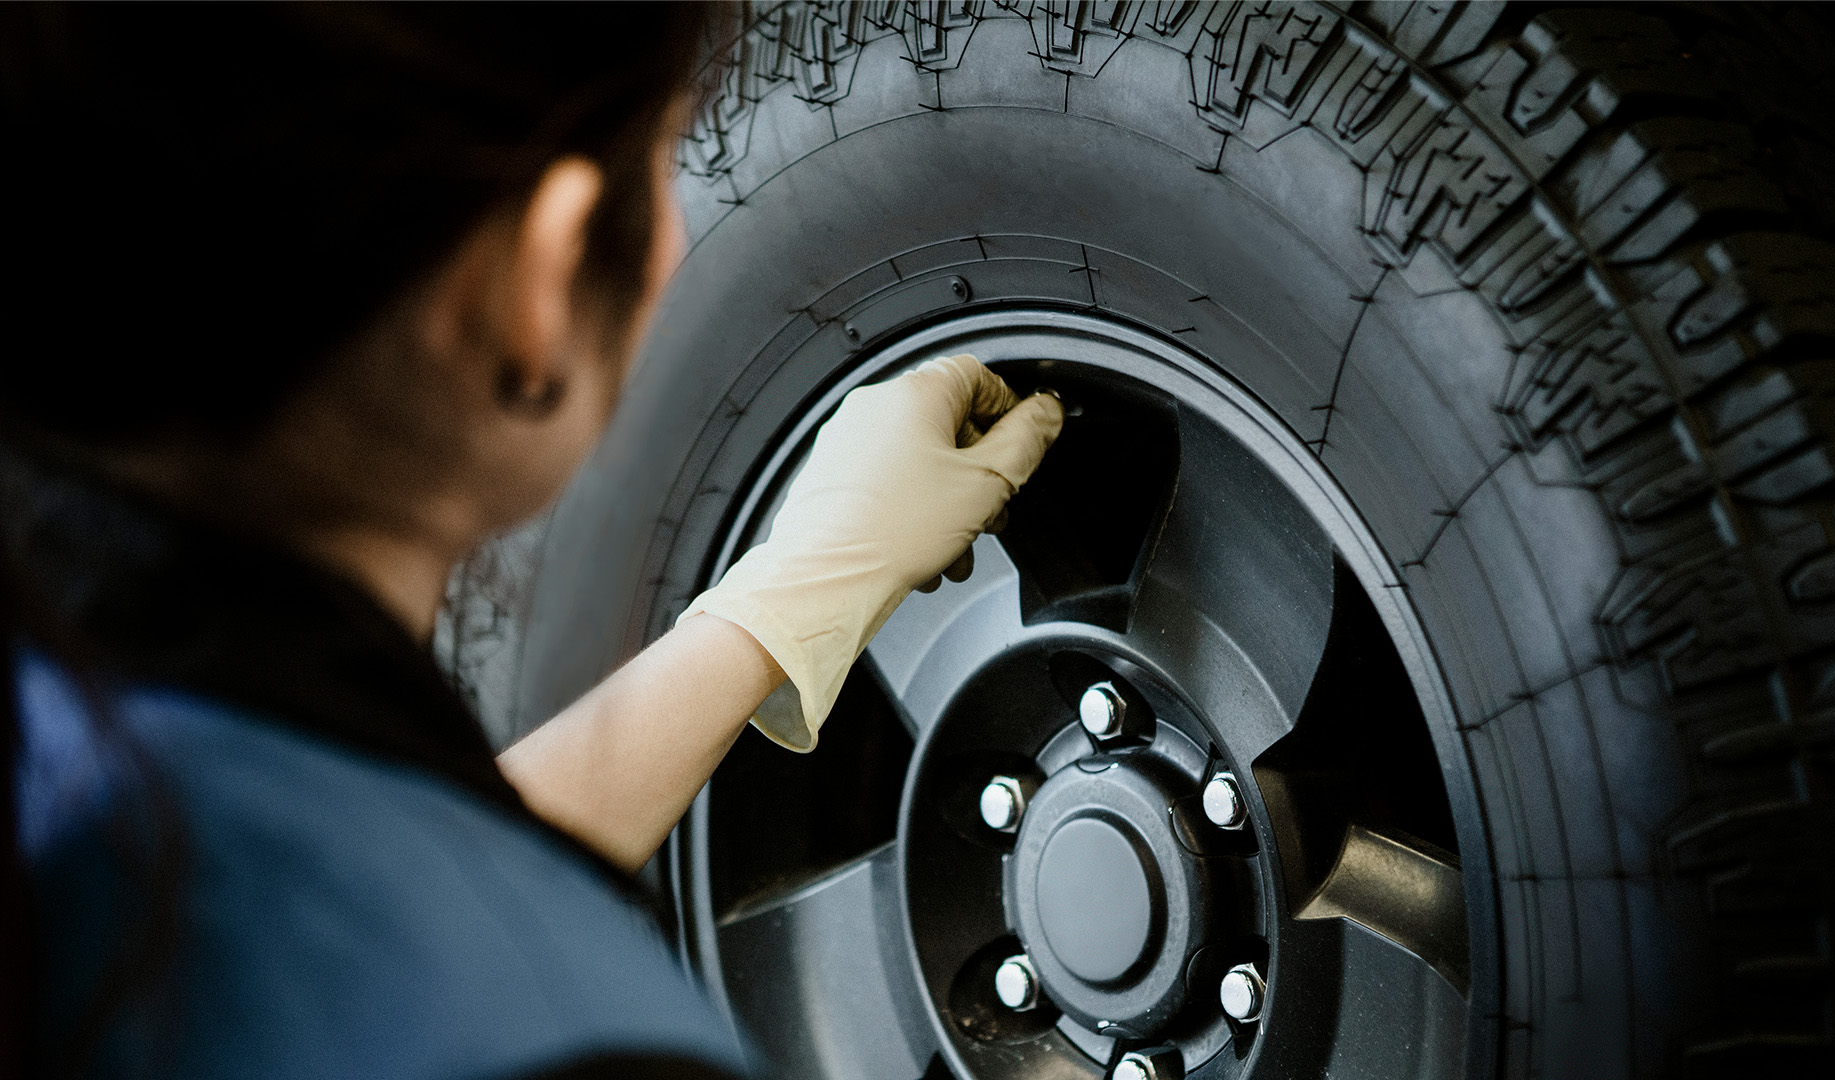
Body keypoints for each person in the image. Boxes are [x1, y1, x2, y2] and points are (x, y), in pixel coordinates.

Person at [0, 7, 1064, 1079]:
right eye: (662, 156)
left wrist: (777, 611)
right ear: (538, 285)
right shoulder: (573, 1044)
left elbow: (351, 874)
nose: (677, 227)